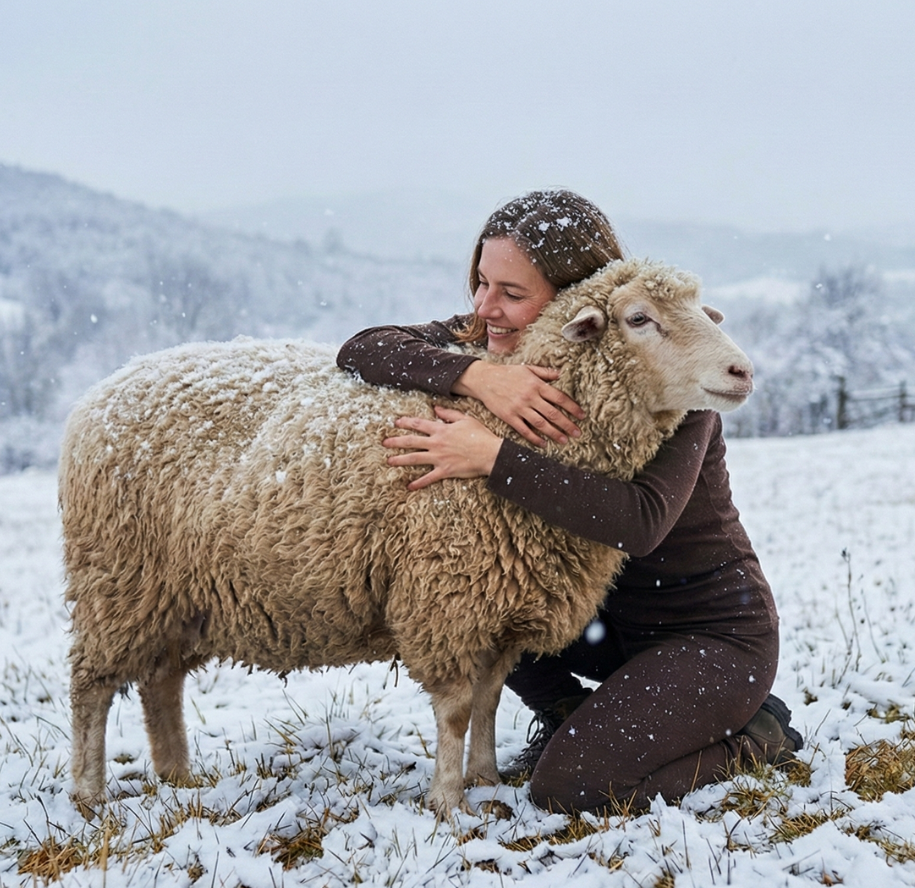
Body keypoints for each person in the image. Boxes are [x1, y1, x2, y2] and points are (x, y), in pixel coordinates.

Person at [337, 189, 802, 814]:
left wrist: (491, 457)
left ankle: (756, 734)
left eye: (511, 292)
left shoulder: (668, 385)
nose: (484, 308)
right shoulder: (495, 338)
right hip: (599, 625)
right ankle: (570, 711)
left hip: (703, 635)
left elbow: (639, 524)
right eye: (481, 282)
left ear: (572, 293)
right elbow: (364, 348)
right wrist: (474, 374)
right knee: (488, 592)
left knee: (571, 788)